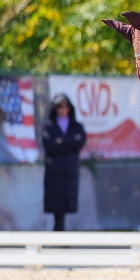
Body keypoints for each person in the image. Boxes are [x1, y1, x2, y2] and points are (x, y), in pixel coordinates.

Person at [42, 93, 87, 231]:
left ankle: (61, 233)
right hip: (54, 172)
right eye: (60, 106)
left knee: (67, 203)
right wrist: (70, 143)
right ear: (55, 109)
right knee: (56, 205)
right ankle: (58, 233)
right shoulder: (49, 126)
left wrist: (61, 142)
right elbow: (49, 145)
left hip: (69, 171)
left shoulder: (76, 126)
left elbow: (80, 142)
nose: (63, 109)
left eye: (66, 106)